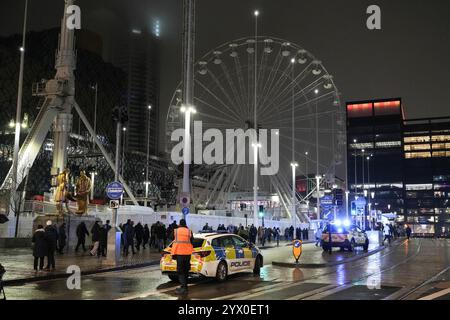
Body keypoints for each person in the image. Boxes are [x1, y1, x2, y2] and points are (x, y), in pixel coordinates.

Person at [171, 219, 194, 295]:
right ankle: (184, 287)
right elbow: (192, 241)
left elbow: (171, 238)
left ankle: (184, 289)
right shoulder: (189, 231)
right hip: (187, 254)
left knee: (180, 271)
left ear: (179, 224)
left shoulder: (176, 231)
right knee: (186, 270)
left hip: (179, 253)